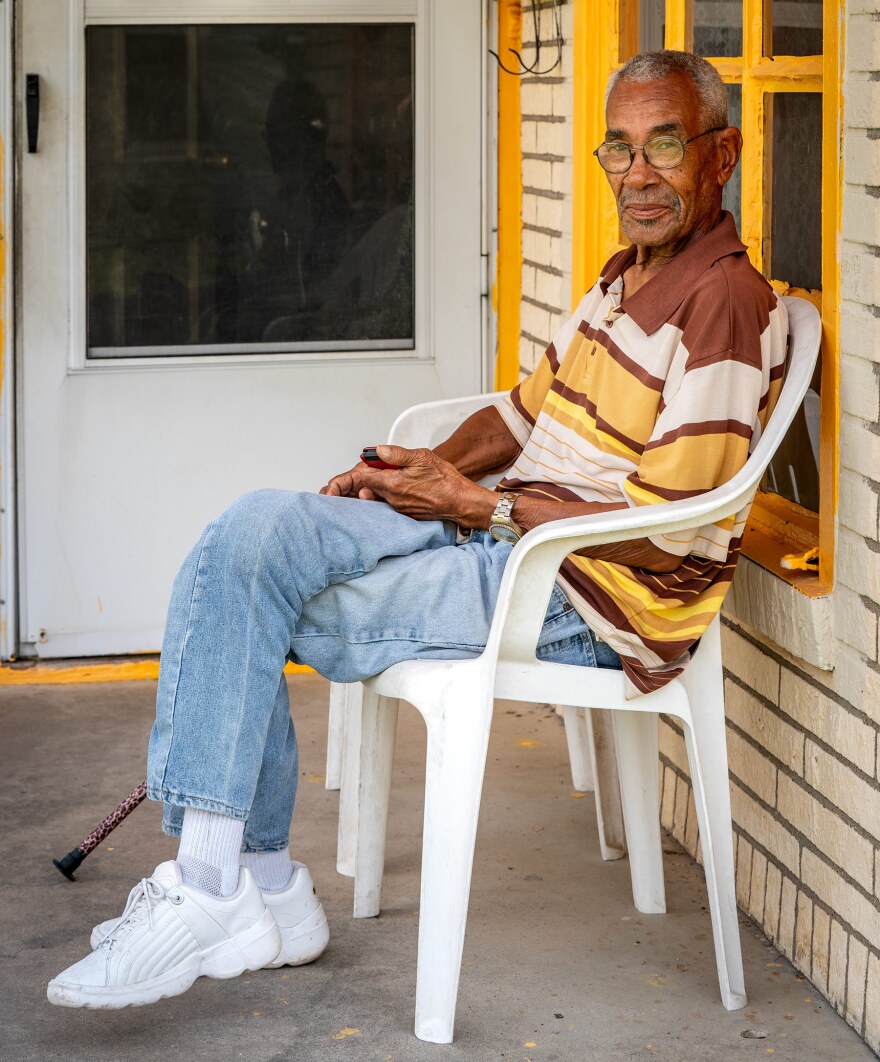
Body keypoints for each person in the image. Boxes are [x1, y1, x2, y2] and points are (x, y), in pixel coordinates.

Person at [47, 50, 787, 1010]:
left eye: (666, 147)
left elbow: (666, 534)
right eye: (620, 149)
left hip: (578, 596)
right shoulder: (625, 277)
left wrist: (477, 505)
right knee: (249, 534)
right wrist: (411, 472)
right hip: (503, 541)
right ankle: (246, 886)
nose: (638, 175)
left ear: (720, 155)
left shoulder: (723, 305)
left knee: (249, 595)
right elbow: (523, 419)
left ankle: (230, 882)